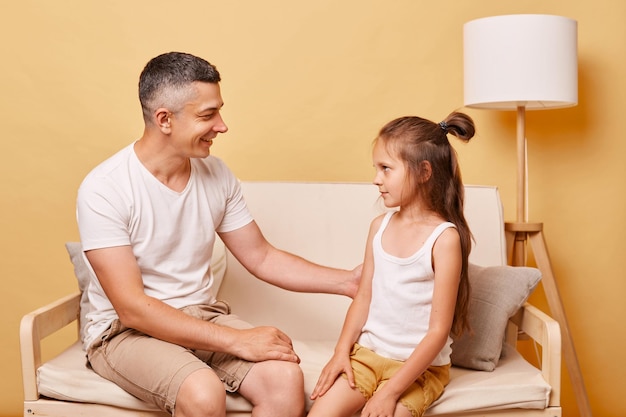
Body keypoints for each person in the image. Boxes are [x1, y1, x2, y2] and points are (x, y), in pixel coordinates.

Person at [76, 51, 360, 417]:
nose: (222, 125)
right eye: (208, 115)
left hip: (201, 315)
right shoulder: (105, 188)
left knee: (284, 378)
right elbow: (132, 308)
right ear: (164, 119)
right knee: (203, 392)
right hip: (123, 332)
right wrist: (239, 340)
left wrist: (348, 282)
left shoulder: (217, 174)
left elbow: (262, 256)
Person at [308, 113, 475, 417]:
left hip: (419, 370)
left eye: (386, 169)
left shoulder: (444, 239)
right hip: (367, 357)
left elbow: (439, 331)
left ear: (424, 172)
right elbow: (364, 297)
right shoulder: (378, 227)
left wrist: (390, 392)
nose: (376, 179)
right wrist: (340, 352)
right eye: (376, 168)